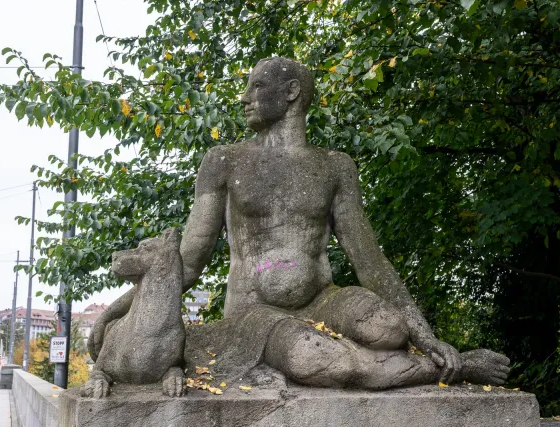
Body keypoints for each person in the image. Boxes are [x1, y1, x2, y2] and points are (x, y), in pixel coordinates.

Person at [92, 57, 509, 389]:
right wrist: (114, 313)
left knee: (389, 329)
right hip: (255, 314)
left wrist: (426, 336)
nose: (244, 98)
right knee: (317, 359)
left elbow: (370, 262)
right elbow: (184, 262)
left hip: (323, 299)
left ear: (291, 92)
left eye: (256, 86)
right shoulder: (225, 162)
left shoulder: (334, 167)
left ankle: (418, 358)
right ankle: (457, 369)